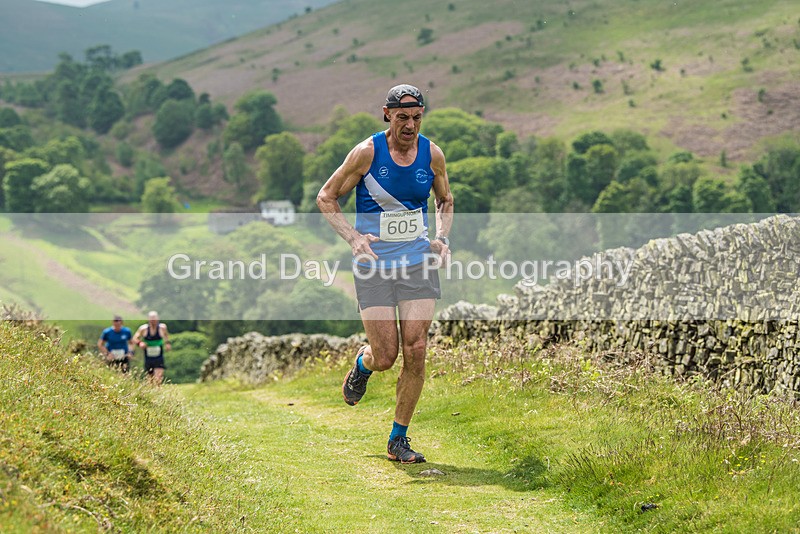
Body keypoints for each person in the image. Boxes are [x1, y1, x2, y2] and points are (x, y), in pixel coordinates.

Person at [317, 83, 454, 464]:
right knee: (387, 355)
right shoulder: (367, 152)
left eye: (417, 118)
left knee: (416, 348)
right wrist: (353, 237)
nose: (410, 126)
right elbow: (326, 196)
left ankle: (398, 438)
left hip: (416, 262)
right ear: (387, 114)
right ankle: (363, 365)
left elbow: (445, 200)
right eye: (402, 118)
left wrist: (441, 238)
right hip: (373, 266)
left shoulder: (433, 155)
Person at [132, 311, 171, 385]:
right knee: (150, 380)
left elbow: (166, 335)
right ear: (149, 320)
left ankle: (158, 392)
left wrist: (167, 343)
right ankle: (152, 394)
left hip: (159, 356)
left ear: (158, 319)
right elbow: (135, 338)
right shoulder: (143, 328)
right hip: (148, 356)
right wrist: (140, 343)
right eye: (152, 320)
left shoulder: (162, 327)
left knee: (158, 378)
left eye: (155, 320)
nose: (153, 322)